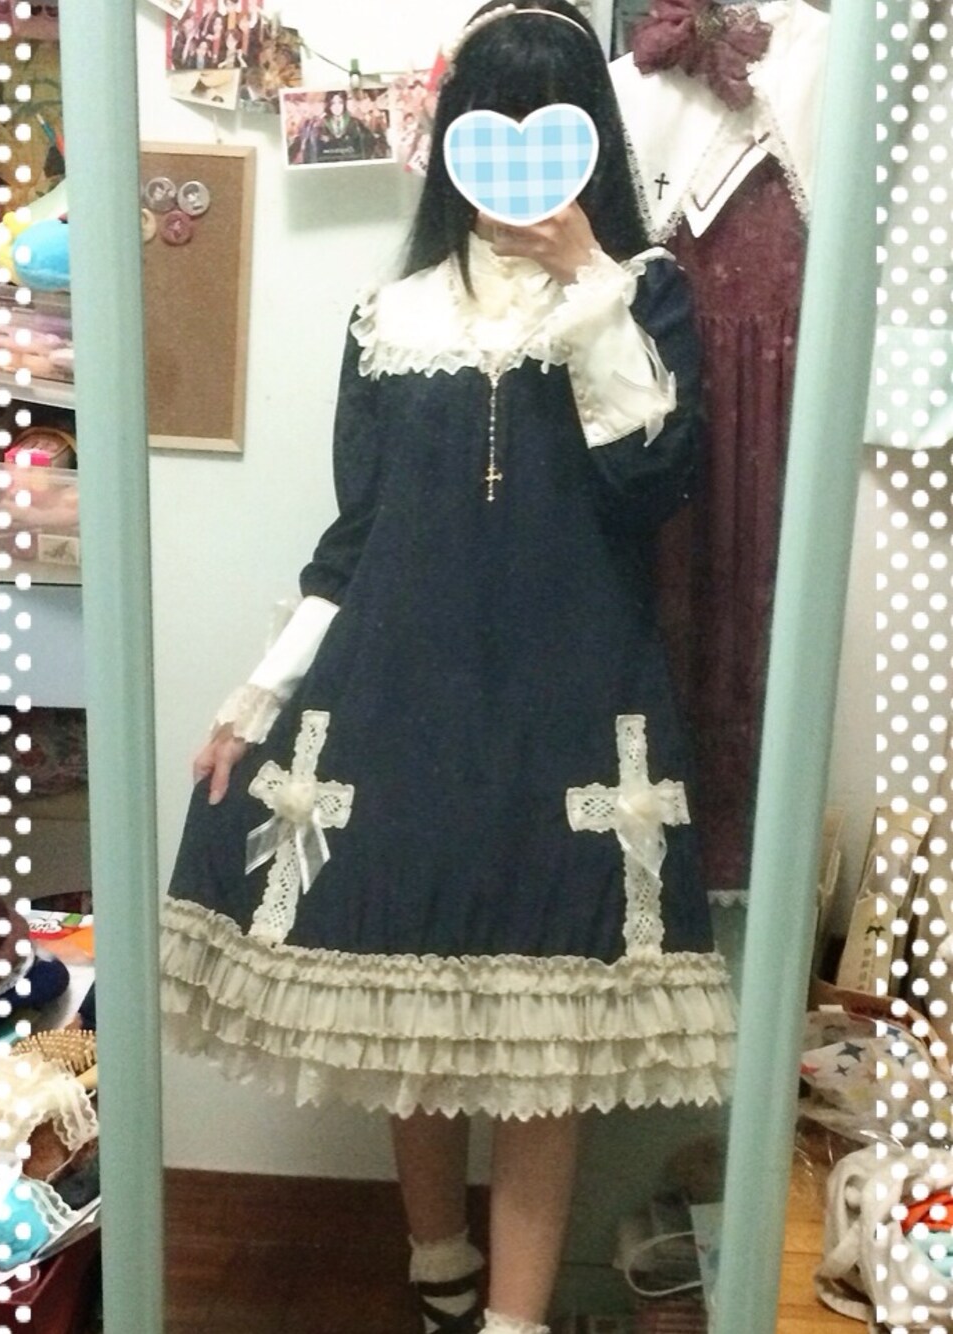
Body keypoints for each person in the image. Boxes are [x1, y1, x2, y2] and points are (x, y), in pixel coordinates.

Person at [159, 4, 736, 1333]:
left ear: (588, 139)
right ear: (457, 144)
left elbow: (651, 482)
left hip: (572, 708)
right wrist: (259, 695)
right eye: (495, 125)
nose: (522, 156)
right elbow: (356, 535)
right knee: (405, 1016)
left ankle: (514, 1323)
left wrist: (589, 283)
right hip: (400, 703)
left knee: (547, 1054)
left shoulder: (639, 293)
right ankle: (441, 1282)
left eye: (551, 124)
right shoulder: (389, 314)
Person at [305, 89, 369, 164]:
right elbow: (313, 152)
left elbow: (363, 149)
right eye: (333, 103)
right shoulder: (319, 125)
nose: (337, 107)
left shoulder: (355, 124)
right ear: (328, 104)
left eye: (340, 103)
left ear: (344, 103)